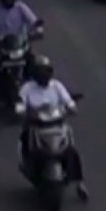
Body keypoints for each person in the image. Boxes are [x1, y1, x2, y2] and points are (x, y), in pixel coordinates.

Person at [17, 55, 87, 200]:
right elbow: (20, 105)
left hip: (56, 124)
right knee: (25, 139)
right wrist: (23, 111)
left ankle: (80, 183)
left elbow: (68, 101)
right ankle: (28, 166)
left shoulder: (56, 86)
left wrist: (71, 107)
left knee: (71, 150)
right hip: (35, 125)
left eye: (46, 71)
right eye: (40, 72)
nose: (44, 75)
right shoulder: (27, 89)